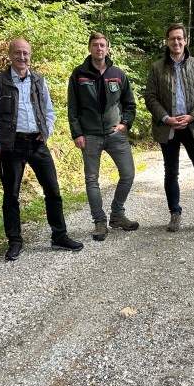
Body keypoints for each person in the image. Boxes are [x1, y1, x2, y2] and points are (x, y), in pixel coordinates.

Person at [0, 38, 84, 259]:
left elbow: (49, 111)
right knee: (11, 195)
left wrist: (46, 131)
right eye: (18, 53)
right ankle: (14, 241)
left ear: (30, 56)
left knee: (53, 190)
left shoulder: (39, 80)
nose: (22, 57)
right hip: (11, 145)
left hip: (38, 143)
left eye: (26, 53)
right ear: (10, 55)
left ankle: (59, 236)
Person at [143, 23, 194, 233]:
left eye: (180, 38)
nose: (176, 42)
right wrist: (166, 118)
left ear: (186, 40)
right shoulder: (156, 67)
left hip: (193, 125)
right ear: (167, 41)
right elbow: (150, 97)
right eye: (172, 38)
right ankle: (175, 213)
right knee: (171, 172)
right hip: (168, 127)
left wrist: (192, 116)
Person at [67, 32, 139, 241]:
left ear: (107, 49)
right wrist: (77, 133)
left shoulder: (117, 74)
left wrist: (125, 124)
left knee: (128, 174)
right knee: (92, 179)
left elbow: (129, 103)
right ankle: (99, 221)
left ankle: (117, 214)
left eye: (102, 45)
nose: (99, 48)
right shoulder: (79, 74)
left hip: (114, 133)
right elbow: (73, 108)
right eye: (95, 45)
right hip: (90, 135)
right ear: (89, 48)